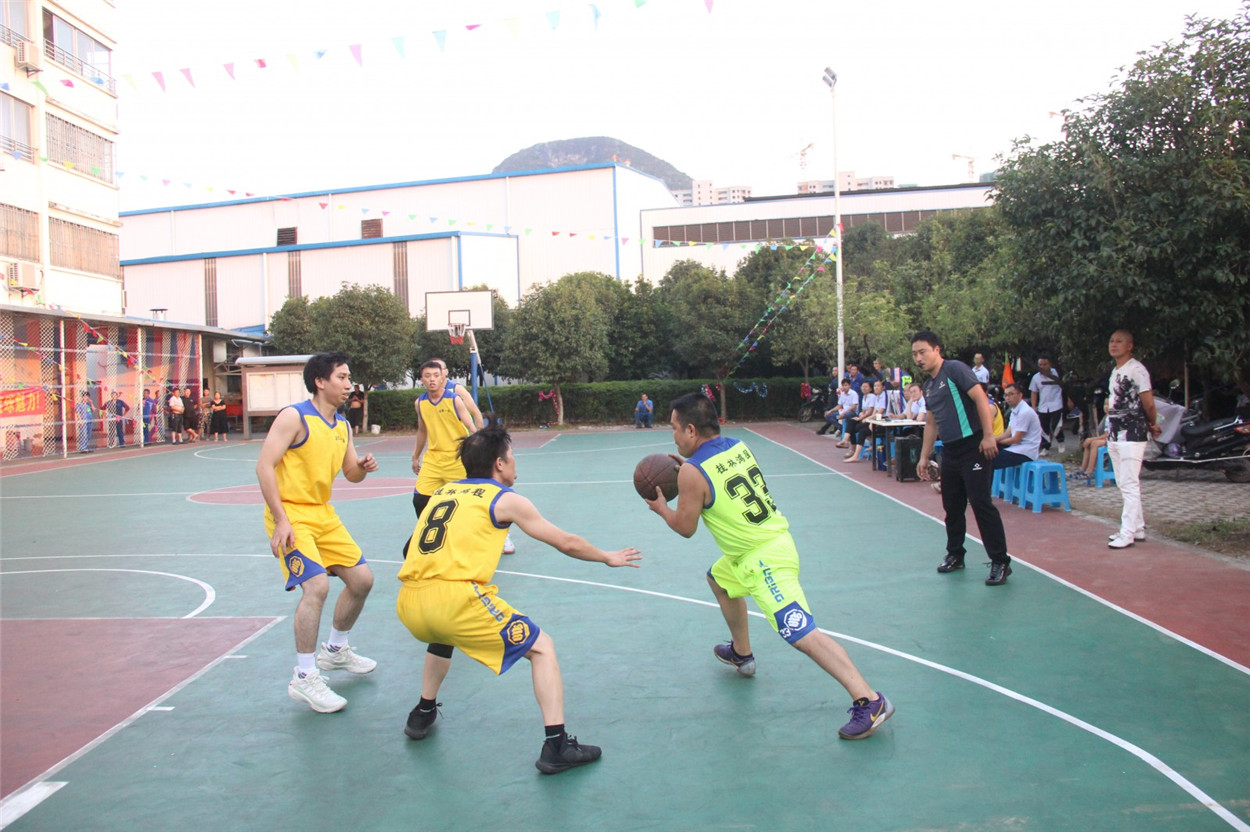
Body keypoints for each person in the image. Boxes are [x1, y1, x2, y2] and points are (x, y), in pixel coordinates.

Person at [644, 392, 893, 740]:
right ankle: (741, 653)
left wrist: (661, 508)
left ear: (690, 430)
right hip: (755, 551)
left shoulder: (692, 473)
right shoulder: (738, 446)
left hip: (765, 562)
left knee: (801, 632)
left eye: (673, 428)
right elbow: (711, 475)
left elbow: (685, 528)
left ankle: (869, 699)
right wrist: (688, 469)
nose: (671, 435)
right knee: (718, 579)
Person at [397, 426, 641, 773]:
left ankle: (422, 712)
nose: (515, 463)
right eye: (512, 457)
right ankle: (556, 746)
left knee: (442, 635)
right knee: (542, 647)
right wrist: (607, 556)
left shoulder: (443, 492)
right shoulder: (504, 498)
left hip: (410, 601)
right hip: (455, 601)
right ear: (499, 464)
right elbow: (565, 542)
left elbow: (410, 548)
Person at [255, 352, 381, 713]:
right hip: (291, 514)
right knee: (317, 587)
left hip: (324, 515)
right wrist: (281, 519)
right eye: (342, 377)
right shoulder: (294, 416)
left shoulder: (342, 426)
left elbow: (350, 474)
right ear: (320, 381)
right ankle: (305, 676)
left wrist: (363, 467)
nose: (348, 384)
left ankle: (336, 651)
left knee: (362, 580)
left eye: (349, 376)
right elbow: (264, 466)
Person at [913, 331, 1013, 586]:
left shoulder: (955, 369)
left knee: (980, 503)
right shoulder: (929, 386)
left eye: (922, 352)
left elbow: (981, 398)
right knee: (952, 506)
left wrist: (989, 436)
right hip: (951, 450)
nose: (918, 358)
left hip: (974, 447)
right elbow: (932, 422)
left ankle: (1000, 561)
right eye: (914, 354)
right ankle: (956, 554)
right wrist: (924, 457)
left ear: (937, 349)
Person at [1105, 330, 1161, 549]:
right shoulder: (1115, 371)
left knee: (1129, 484)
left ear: (1130, 346)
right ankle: (1137, 527)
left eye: (1119, 341)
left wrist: (1152, 422)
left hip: (1132, 434)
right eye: (1111, 341)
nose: (1114, 345)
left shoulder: (1137, 370)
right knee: (1123, 482)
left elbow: (1148, 402)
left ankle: (1126, 532)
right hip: (1114, 433)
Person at [412, 359, 477, 516]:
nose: (432, 379)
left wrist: (477, 452)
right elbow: (422, 431)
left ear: (442, 378)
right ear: (422, 379)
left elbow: (471, 428)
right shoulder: (420, 403)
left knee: (465, 504)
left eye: (436, 375)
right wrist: (415, 456)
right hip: (433, 461)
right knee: (420, 500)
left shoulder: (454, 399)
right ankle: (429, 534)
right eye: (427, 376)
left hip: (457, 459)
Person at [993, 384, 1042, 469]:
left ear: (1020, 395)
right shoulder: (1014, 410)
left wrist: (996, 442)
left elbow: (1016, 439)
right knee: (989, 451)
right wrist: (993, 440)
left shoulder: (1024, 412)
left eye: (1011, 394)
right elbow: (1007, 433)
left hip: (1026, 451)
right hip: (1017, 447)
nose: (1008, 398)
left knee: (991, 460)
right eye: (1006, 395)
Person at [1029, 355, 1065, 455]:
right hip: (1043, 406)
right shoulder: (1036, 378)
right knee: (1044, 428)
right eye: (1040, 365)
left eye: (1045, 364)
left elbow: (1065, 386)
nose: (1042, 367)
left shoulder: (1057, 374)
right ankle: (1046, 447)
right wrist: (1034, 406)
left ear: (1049, 364)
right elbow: (1034, 392)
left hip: (1056, 403)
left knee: (1056, 425)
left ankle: (1060, 441)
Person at [842, 380, 882, 463]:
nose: (863, 388)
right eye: (862, 386)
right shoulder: (864, 397)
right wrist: (861, 415)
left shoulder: (872, 397)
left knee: (861, 430)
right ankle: (847, 443)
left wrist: (863, 419)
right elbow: (865, 410)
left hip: (873, 421)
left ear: (870, 389)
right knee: (851, 423)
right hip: (868, 419)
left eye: (866, 386)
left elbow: (871, 412)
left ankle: (856, 453)